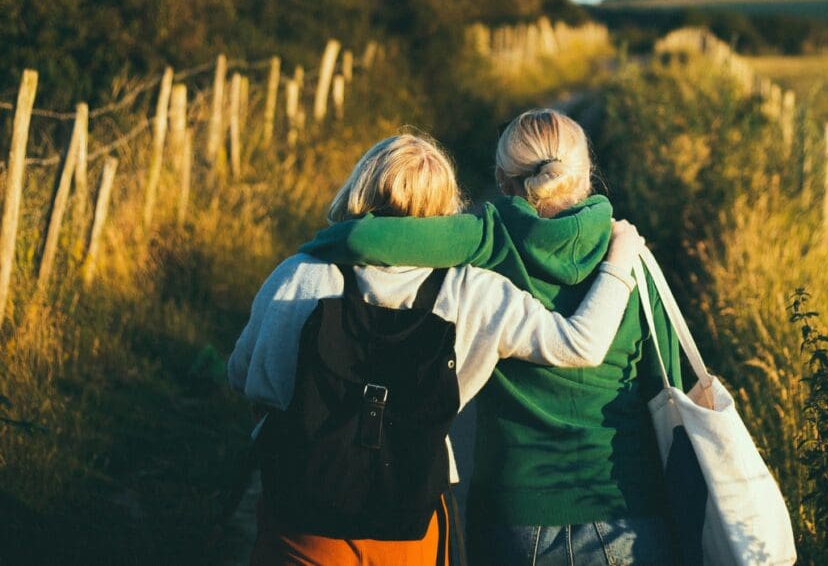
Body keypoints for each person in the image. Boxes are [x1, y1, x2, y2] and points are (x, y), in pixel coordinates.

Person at [299, 110, 702, 565]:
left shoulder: (489, 237)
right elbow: (668, 390)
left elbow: (361, 239)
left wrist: (312, 247)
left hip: (513, 518)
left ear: (501, 179)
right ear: (587, 173)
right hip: (625, 512)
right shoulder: (630, 260)